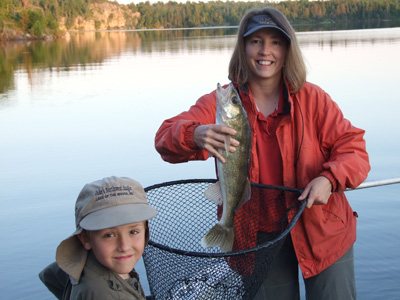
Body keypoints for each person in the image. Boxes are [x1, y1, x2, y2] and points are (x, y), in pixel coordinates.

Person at [154, 7, 370, 300]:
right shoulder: (222, 103)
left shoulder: (313, 99)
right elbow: (164, 138)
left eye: (275, 42)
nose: (265, 50)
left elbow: (354, 150)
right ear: (242, 47)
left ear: (287, 49)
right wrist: (194, 134)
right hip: (257, 239)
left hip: (322, 230)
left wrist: (329, 180)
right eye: (255, 40)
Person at [39, 176, 158, 300]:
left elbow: (51, 276)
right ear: (85, 239)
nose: (124, 246)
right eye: (109, 235)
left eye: (133, 232)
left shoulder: (82, 260)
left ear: (145, 229)